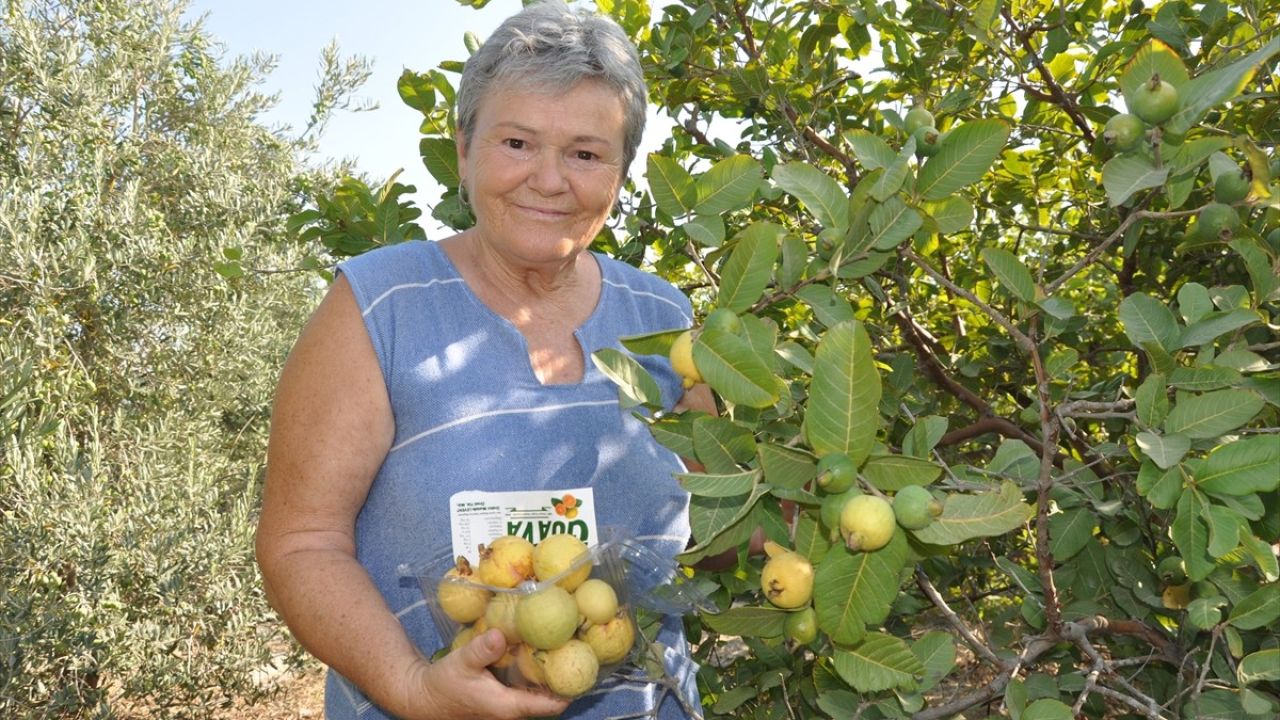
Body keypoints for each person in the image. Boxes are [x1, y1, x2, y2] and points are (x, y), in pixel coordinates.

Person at [255, 2, 715, 718]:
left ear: (620, 172)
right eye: (518, 143)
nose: (550, 179)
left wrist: (799, 494)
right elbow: (301, 544)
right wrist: (413, 688)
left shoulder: (663, 320)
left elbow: (713, 526)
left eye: (587, 153)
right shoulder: (380, 307)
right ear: (464, 150)